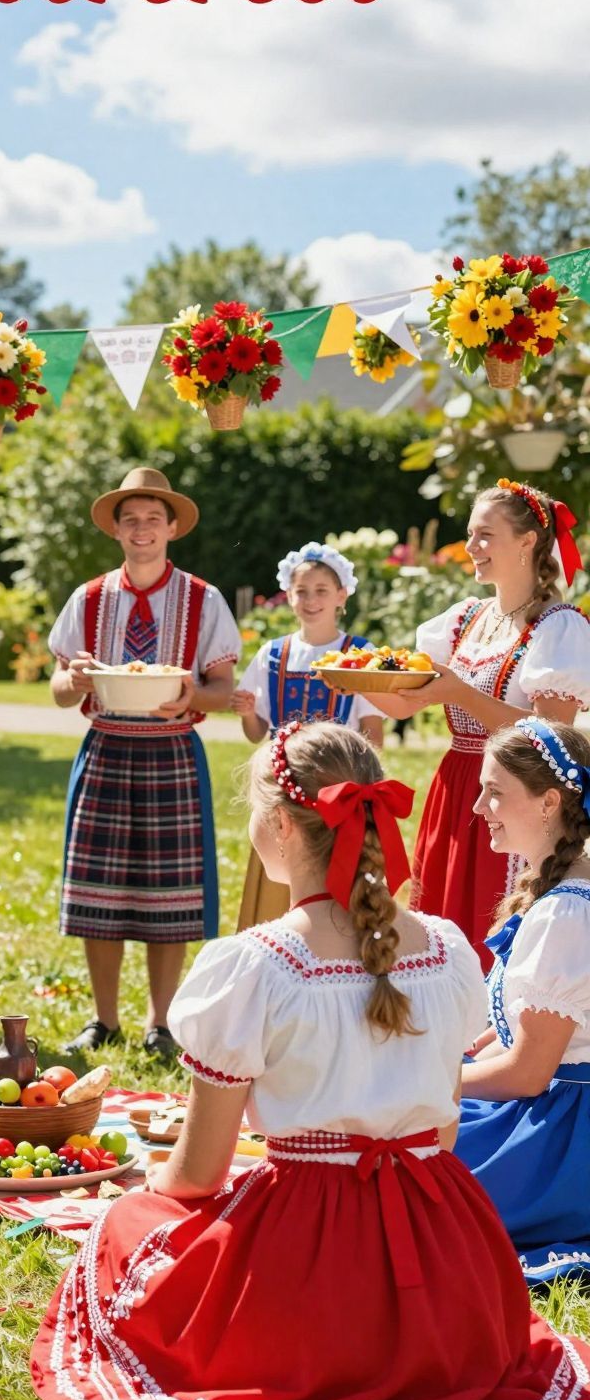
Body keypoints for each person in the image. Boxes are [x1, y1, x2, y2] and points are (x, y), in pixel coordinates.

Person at [31, 719, 590, 1400]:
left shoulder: (255, 966)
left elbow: (198, 1174)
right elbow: (443, 1135)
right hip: (449, 1259)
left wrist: (146, 1193)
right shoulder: (445, 951)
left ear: (283, 826)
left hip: (312, 1265)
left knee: (127, 1228)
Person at [49, 466, 240, 1056]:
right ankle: (104, 1020)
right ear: (116, 529)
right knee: (97, 890)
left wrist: (191, 695)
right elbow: (59, 690)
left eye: (153, 518)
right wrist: (74, 678)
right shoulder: (88, 598)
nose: (141, 529)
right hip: (105, 746)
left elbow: (224, 690)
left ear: (172, 527)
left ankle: (161, 1023)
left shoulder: (204, 599)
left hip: (172, 749)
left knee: (171, 893)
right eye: (130, 519)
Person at [367, 479, 590, 967]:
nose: (471, 546)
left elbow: (551, 734)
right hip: (455, 787)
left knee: (492, 926)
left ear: (527, 541)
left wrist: (460, 693)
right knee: (444, 923)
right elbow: (403, 705)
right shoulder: (465, 618)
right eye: (471, 534)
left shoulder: (557, 626)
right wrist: (351, 680)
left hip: (517, 792)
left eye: (485, 535)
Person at [455, 718, 590, 1281]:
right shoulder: (559, 893)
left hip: (561, 1142)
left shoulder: (567, 913)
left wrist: (428, 1081)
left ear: (548, 801)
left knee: (394, 1157)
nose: (478, 807)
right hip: (552, 1111)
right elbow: (521, 1033)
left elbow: (529, 1073)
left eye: (495, 792)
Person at [233, 540, 382, 927]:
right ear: (289, 595)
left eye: (321, 590)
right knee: (277, 872)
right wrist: (248, 713)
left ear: (341, 595)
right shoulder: (272, 654)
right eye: (302, 591)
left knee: (334, 877)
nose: (311, 600)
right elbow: (256, 732)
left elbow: (373, 733)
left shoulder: (360, 655)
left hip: (337, 792)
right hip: (281, 788)